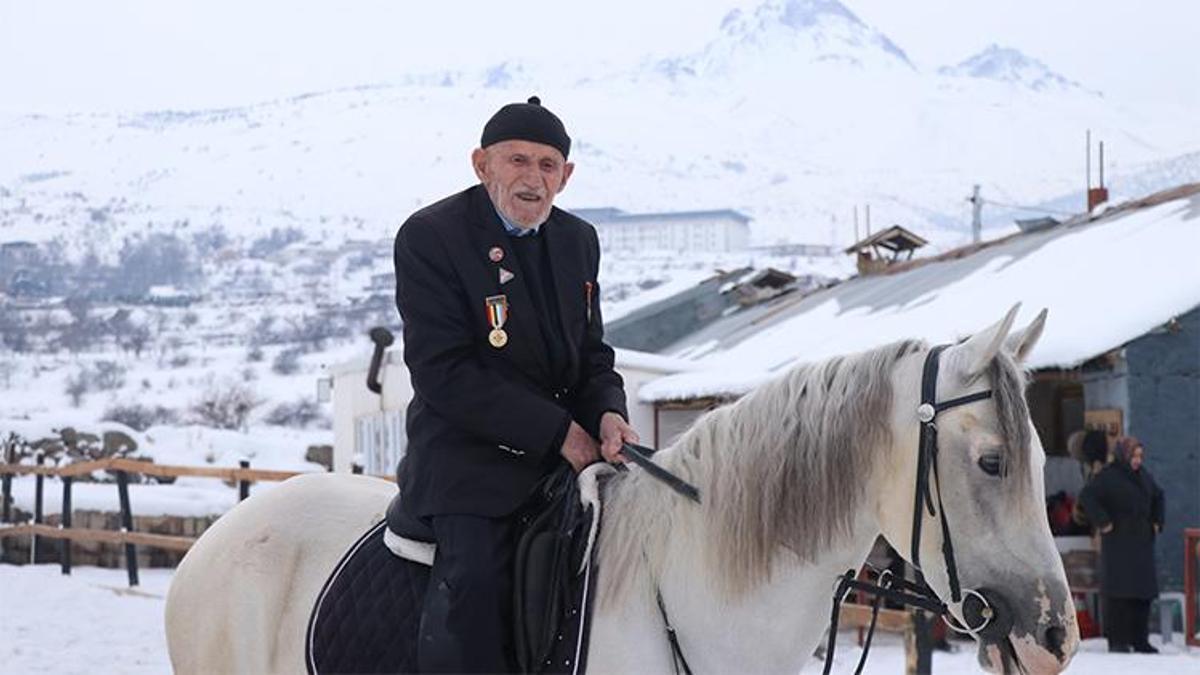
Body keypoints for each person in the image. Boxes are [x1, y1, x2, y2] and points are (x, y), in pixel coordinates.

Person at [391, 96, 638, 673]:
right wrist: (559, 434)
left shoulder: (579, 240)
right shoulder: (431, 236)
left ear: (565, 176)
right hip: (467, 461)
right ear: (482, 165)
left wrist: (608, 412)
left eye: (547, 165)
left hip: (571, 456)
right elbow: (443, 372)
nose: (533, 179)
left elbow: (592, 355)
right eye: (517, 160)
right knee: (476, 587)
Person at [1078, 435, 1165, 653]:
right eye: (1134, 456)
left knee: (1142, 593)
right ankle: (1118, 640)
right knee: (1119, 594)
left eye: (1140, 456)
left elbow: (1158, 495)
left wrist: (1157, 521)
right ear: (1123, 456)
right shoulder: (1109, 476)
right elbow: (1087, 496)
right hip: (1118, 543)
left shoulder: (1143, 476)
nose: (1137, 461)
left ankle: (1140, 640)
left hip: (1142, 543)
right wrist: (1103, 522)